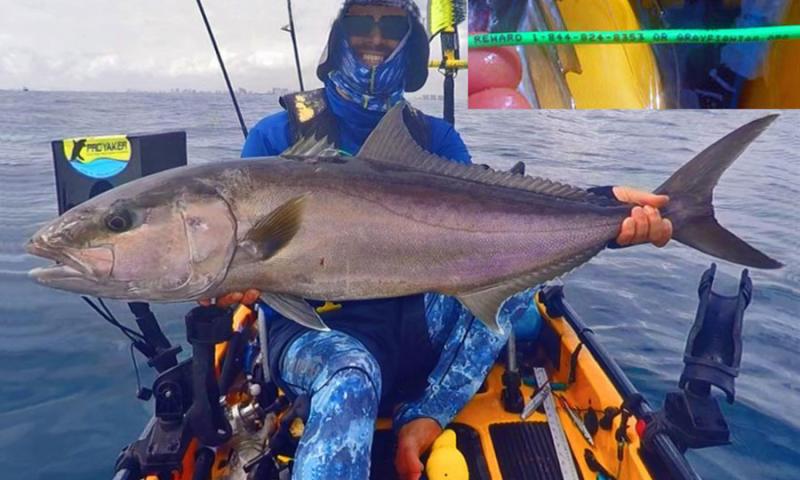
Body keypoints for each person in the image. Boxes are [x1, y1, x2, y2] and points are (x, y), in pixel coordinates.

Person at [204, 1, 673, 479]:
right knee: (350, 374)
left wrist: (606, 210)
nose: (375, 37)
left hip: (414, 322)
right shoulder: (274, 137)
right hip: (317, 333)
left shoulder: (434, 139)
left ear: (410, 42)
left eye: (392, 25)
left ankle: (427, 413)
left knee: (513, 282)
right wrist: (232, 279)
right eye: (361, 22)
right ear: (338, 35)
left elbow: (494, 217)